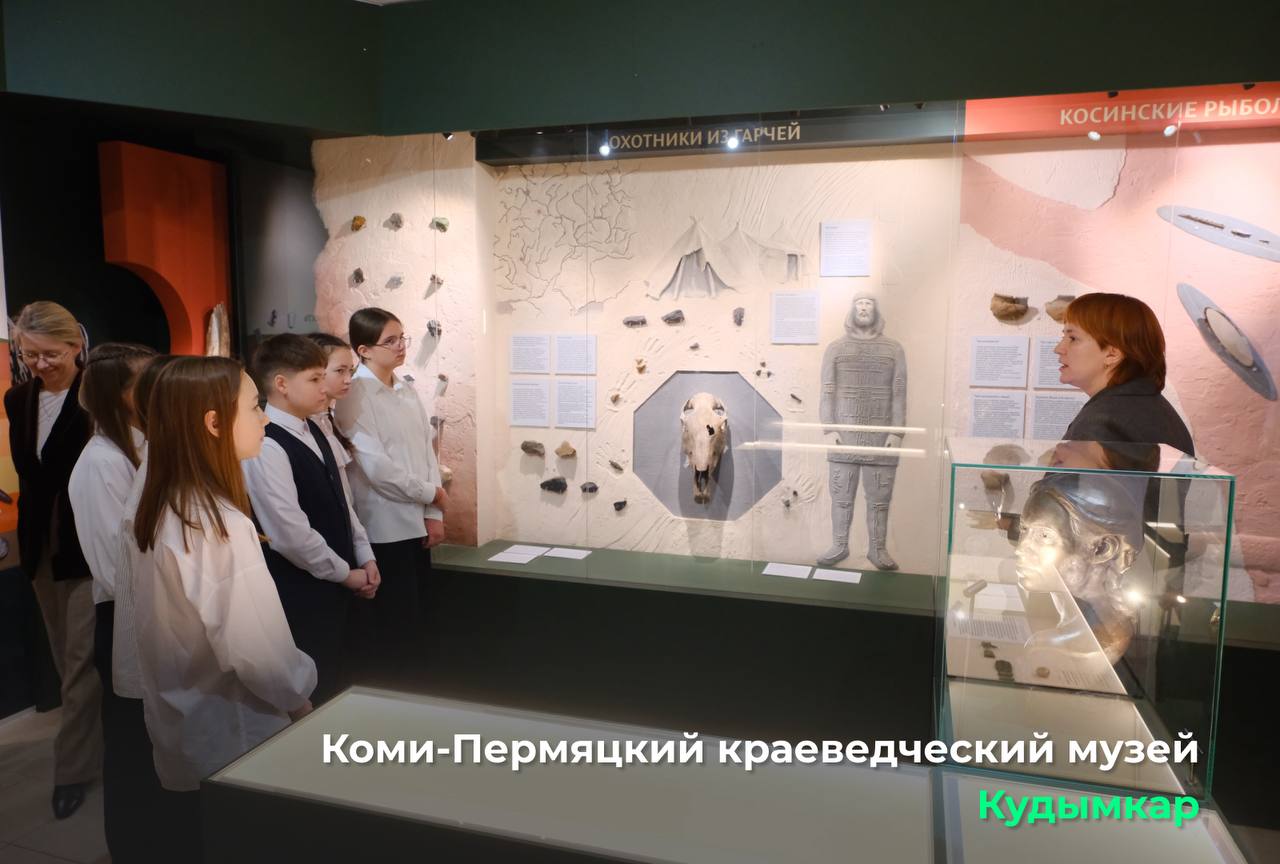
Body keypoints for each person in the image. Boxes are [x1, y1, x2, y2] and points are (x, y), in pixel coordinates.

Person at [127, 356, 316, 856]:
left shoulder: (162, 504)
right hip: (236, 731)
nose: (265, 418)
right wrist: (299, 697)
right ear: (213, 422)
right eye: (254, 407)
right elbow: (257, 650)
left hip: (186, 724)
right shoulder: (215, 523)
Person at [243, 335, 379, 704]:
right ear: (282, 384)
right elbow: (290, 533)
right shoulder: (268, 443)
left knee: (349, 680)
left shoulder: (315, 426)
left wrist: (365, 555)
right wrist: (345, 573)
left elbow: (343, 502)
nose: (325, 387)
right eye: (315, 379)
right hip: (304, 590)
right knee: (319, 688)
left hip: (339, 580)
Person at [4, 301, 100, 819]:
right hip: (41, 545)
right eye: (30, 354)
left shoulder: (96, 395)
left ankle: (72, 771)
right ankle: (102, 745)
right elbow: (30, 475)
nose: (40, 364)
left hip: (87, 545)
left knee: (81, 663)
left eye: (51, 354)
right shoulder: (18, 398)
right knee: (67, 658)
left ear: (75, 346)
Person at [67, 342, 155, 858]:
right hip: (126, 618)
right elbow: (114, 568)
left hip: (149, 615)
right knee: (131, 747)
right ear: (119, 394)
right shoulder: (101, 462)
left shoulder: (138, 447)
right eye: (145, 383)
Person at [335, 308, 447, 683]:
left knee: (420, 617)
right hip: (383, 524)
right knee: (394, 624)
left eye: (402, 338)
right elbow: (376, 468)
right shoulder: (354, 394)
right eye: (391, 341)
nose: (401, 346)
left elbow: (426, 451)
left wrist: (433, 511)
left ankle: (418, 688)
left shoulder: (405, 389)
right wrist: (430, 493)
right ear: (364, 350)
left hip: (416, 519)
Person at [1055, 293, 1194, 454]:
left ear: (1112, 354)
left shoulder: (1104, 421)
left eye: (1073, 338)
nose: (1058, 349)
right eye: (1063, 336)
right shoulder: (1150, 407)